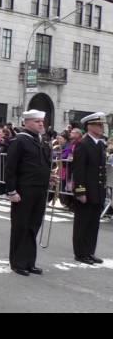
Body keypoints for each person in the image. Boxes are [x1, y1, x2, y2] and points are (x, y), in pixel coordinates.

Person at [4, 110, 51, 276]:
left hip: (39, 190)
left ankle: (30, 261)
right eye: (37, 121)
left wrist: (49, 178)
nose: (41, 124)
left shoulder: (42, 141)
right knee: (21, 226)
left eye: (42, 121)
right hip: (24, 190)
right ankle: (17, 262)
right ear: (27, 122)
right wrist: (11, 190)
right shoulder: (19, 140)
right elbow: (10, 168)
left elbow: (44, 163)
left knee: (33, 227)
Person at [72, 112, 107, 264]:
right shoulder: (83, 144)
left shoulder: (99, 144)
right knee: (83, 223)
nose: (102, 127)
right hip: (86, 190)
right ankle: (80, 253)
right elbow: (79, 170)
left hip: (97, 190)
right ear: (90, 126)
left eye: (102, 125)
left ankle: (89, 251)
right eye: (99, 125)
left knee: (93, 224)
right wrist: (80, 191)